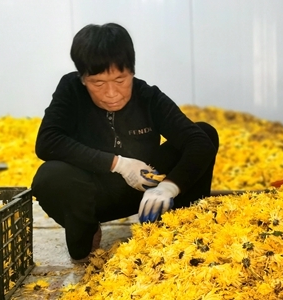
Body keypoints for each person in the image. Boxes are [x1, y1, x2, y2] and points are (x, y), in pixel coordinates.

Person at [31, 23, 219, 262]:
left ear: (132, 71)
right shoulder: (70, 90)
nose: (111, 93)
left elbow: (198, 142)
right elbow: (47, 141)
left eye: (121, 80)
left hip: (147, 187)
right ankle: (87, 228)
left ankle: (183, 222)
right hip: (95, 194)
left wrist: (169, 187)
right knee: (50, 176)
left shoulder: (148, 96)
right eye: (98, 83)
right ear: (82, 79)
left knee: (205, 133)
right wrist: (118, 163)